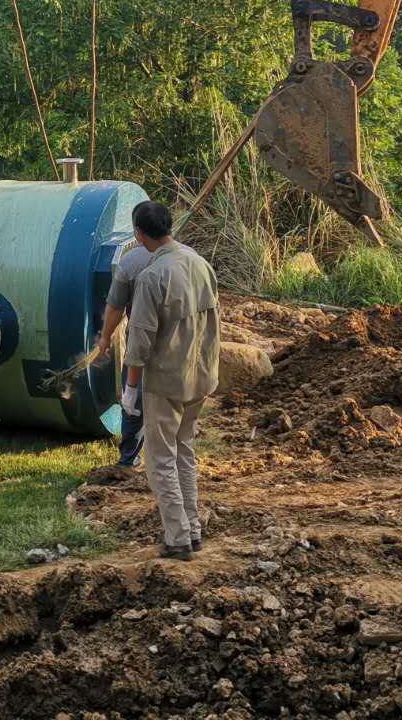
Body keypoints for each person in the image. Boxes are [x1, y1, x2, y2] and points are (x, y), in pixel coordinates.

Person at [122, 200, 220, 561]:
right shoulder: (199, 262)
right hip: (200, 375)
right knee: (184, 451)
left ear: (138, 233)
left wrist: (131, 389)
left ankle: (177, 538)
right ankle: (192, 531)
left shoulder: (151, 277)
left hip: (166, 381)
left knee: (161, 459)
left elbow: (140, 341)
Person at [92, 239, 154, 469]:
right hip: (181, 345)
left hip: (143, 342)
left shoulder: (132, 261)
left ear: (138, 231)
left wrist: (106, 337)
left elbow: (115, 306)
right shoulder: (189, 258)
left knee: (134, 400)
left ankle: (129, 460)